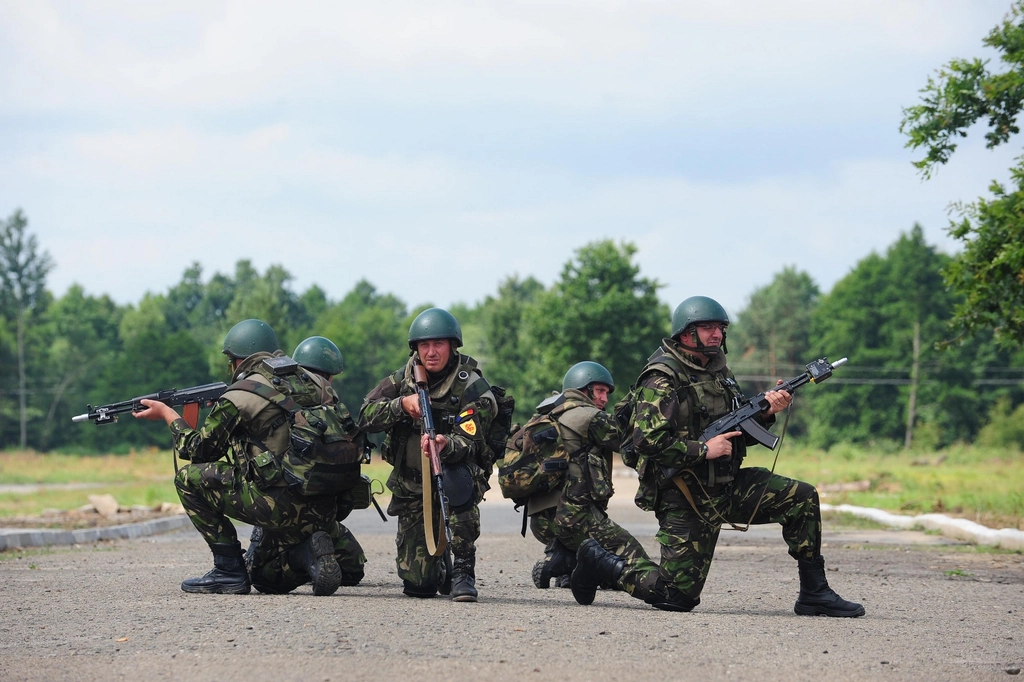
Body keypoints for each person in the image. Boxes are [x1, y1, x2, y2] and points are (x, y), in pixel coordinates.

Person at [571, 296, 865, 617]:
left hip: (727, 486)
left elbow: (736, 437)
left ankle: (814, 592)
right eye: (707, 327)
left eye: (721, 328)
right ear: (686, 333)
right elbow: (646, 441)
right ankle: (601, 562)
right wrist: (703, 450)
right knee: (676, 597)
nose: (716, 334)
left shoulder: (719, 374)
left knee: (802, 497)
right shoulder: (662, 378)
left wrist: (767, 412)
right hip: (685, 496)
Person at [134, 319, 343, 597]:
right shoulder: (317, 383)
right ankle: (306, 554)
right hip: (327, 506)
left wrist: (168, 415)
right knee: (264, 578)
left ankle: (228, 570)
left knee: (188, 479)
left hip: (279, 506)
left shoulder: (240, 395)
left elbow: (198, 451)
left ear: (237, 360)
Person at [358, 308, 496, 601]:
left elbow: (473, 442)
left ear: (453, 346)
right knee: (419, 586)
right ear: (416, 348)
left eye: (438, 344)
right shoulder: (402, 379)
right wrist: (401, 405)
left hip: (453, 474)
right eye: (424, 345)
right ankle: (439, 565)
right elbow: (364, 416)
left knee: (458, 481)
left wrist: (447, 445)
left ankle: (463, 568)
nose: (431, 352)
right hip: (412, 484)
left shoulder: (471, 385)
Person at [245, 335, 368, 591]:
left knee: (263, 577)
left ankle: (299, 554)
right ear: (330, 377)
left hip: (281, 511)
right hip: (323, 516)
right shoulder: (337, 415)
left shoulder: (274, 408)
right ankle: (310, 551)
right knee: (352, 569)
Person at [527, 362, 658, 601]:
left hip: (541, 522)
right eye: (599, 391)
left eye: (607, 393)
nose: (604, 398)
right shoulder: (589, 417)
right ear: (582, 389)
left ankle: (564, 563)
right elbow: (633, 440)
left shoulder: (548, 414)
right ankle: (568, 563)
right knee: (632, 559)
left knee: (593, 551)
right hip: (574, 520)